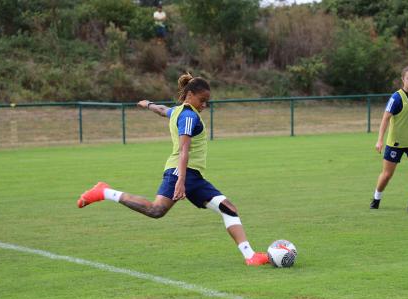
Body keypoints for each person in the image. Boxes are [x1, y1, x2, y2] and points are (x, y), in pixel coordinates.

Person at [77, 73, 269, 266]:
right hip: (182, 172)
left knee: (228, 208)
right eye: (202, 100)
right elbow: (185, 150)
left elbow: (163, 110)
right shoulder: (188, 116)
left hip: (193, 176)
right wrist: (180, 181)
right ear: (190, 95)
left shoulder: (178, 111)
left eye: (207, 102)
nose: (204, 105)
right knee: (156, 210)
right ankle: (104, 192)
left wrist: (148, 104)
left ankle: (250, 256)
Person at [370, 66, 408, 213]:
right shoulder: (396, 98)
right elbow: (385, 119)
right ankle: (376, 197)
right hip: (396, 143)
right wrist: (380, 140)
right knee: (387, 175)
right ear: (403, 79)